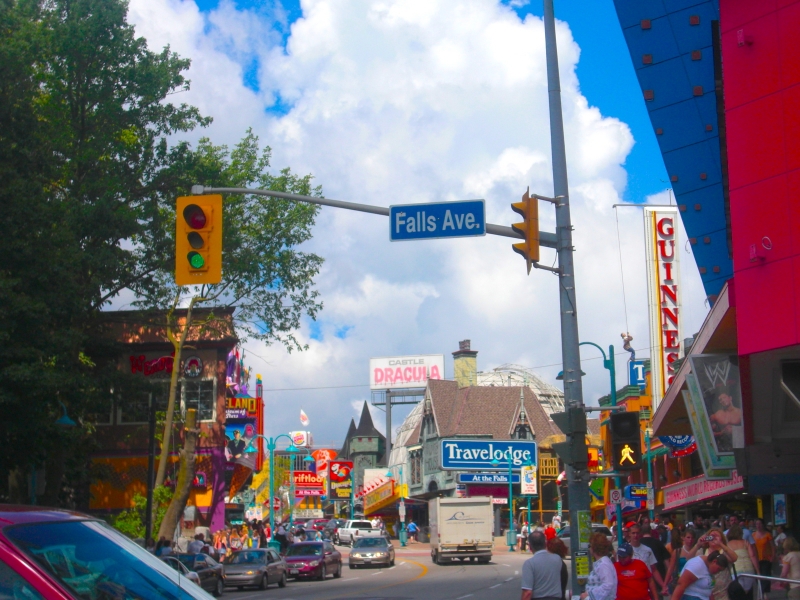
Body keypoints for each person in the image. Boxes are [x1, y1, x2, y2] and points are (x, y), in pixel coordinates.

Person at [521, 531, 566, 600]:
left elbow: (527, 592)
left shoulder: (529, 564)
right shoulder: (557, 559)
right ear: (545, 544)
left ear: (530, 547)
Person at [629, 524, 667, 592]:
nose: (635, 535)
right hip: (630, 588)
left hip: (646, 588)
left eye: (637, 533)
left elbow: (654, 570)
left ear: (640, 534)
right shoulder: (625, 550)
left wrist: (663, 585)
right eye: (633, 533)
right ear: (629, 534)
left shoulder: (648, 550)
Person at [665, 529, 702, 596]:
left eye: (692, 538)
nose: (690, 540)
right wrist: (665, 584)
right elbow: (670, 568)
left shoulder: (698, 552)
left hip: (693, 583)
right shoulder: (677, 551)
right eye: (688, 537)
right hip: (679, 581)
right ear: (683, 538)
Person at [579, 532, 616, 600]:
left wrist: (589, 596)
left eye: (590, 546)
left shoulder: (604, 564)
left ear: (594, 547)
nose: (589, 548)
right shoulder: (601, 562)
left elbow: (608, 584)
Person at [727, 524, 759, 598]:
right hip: (749, 569)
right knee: (748, 593)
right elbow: (752, 556)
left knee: (739, 594)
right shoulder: (745, 542)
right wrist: (757, 570)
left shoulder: (728, 545)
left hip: (736, 571)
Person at [641, 518, 671, 584]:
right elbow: (666, 560)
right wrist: (670, 575)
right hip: (659, 574)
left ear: (641, 532)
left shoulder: (639, 544)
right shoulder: (658, 542)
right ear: (651, 531)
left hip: (643, 577)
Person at [753, 519, 774, 598]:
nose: (758, 526)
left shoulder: (768, 535)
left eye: (760, 524)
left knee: (765, 575)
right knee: (757, 575)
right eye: (757, 524)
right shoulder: (753, 535)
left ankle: (764, 593)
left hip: (766, 558)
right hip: (756, 558)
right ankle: (760, 591)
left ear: (763, 525)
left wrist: (773, 556)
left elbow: (772, 546)